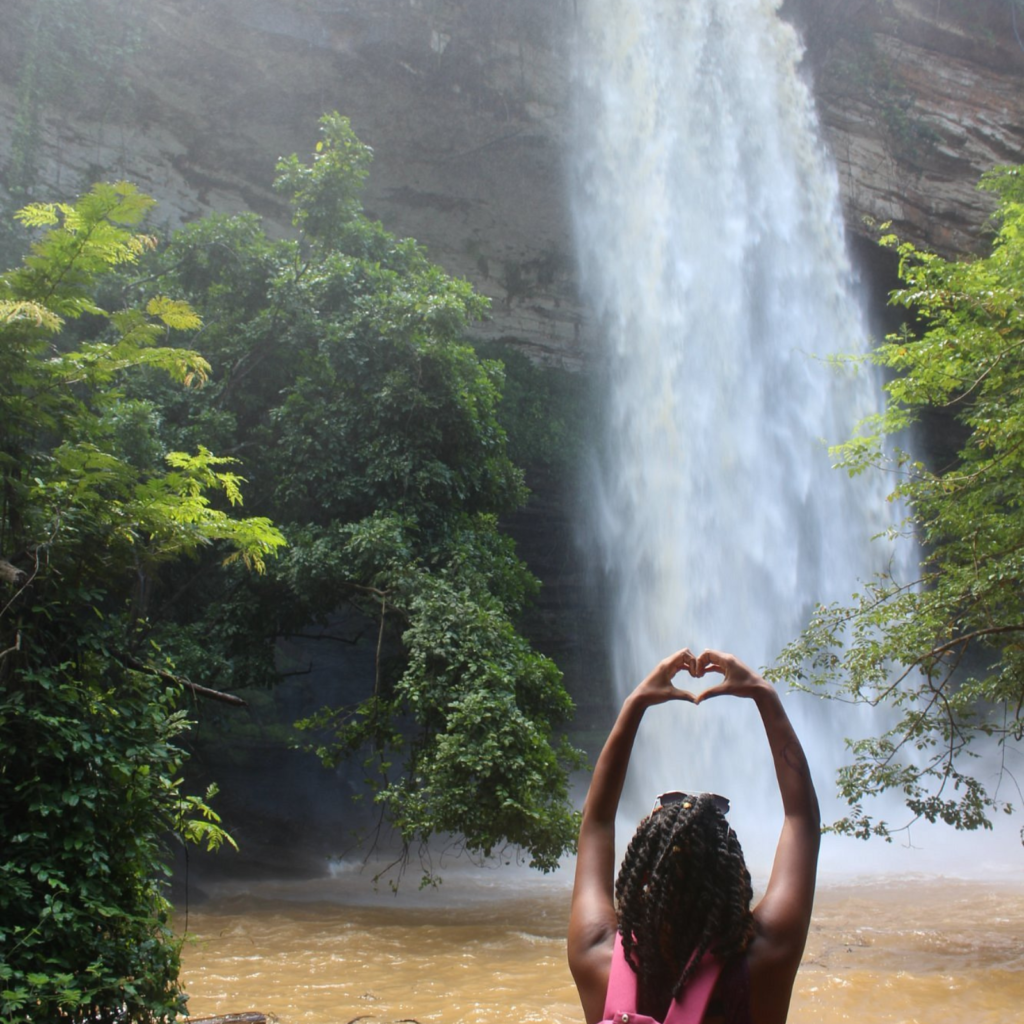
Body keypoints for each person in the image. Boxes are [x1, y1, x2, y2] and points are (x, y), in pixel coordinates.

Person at [567, 648, 820, 1024]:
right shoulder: (766, 958)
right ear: (729, 874)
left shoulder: (596, 954)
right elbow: (802, 820)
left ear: (646, 876)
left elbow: (596, 822)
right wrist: (762, 693)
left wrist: (636, 703)